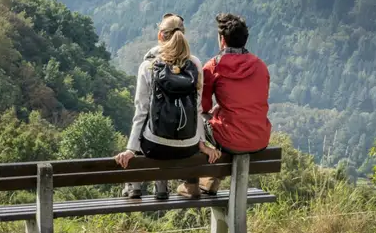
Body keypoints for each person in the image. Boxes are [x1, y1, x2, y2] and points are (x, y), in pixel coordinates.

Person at [114, 13, 221, 200]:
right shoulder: (194, 64)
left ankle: (136, 184)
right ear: (183, 35)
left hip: (156, 147)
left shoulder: (148, 65)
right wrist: (202, 144)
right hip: (189, 146)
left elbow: (141, 111)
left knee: (146, 125)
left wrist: (131, 149)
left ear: (160, 36)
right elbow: (196, 109)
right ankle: (160, 185)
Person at [199, 13, 272, 195]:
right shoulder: (260, 66)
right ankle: (210, 179)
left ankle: (204, 178)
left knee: (196, 118)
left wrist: (216, 110)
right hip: (259, 138)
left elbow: (203, 107)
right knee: (232, 127)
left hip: (229, 139)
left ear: (222, 40)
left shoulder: (213, 66)